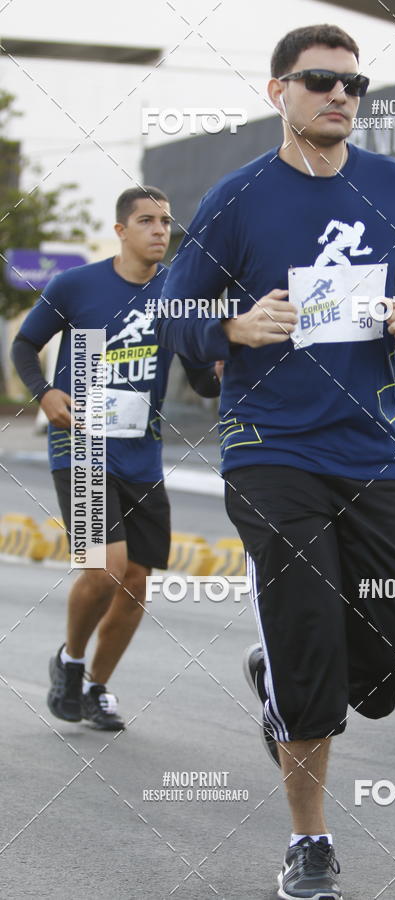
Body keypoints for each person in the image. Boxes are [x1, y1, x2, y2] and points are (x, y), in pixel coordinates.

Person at [156, 24, 395, 900]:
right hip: (268, 446)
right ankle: (309, 842)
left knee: (392, 665)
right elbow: (172, 310)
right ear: (278, 90)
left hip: (373, 449)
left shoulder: (392, 182)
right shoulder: (237, 196)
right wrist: (232, 327)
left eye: (355, 85)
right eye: (321, 81)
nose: (341, 96)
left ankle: (278, 674)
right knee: (309, 643)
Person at [11, 186, 220, 731]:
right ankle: (71, 663)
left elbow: (198, 374)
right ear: (121, 230)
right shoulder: (76, 285)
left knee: (135, 584)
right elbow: (23, 347)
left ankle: (96, 688)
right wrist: (44, 393)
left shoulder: (178, 292)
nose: (160, 230)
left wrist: (221, 365)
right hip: (79, 446)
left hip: (142, 458)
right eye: (147, 221)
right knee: (106, 569)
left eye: (166, 222)